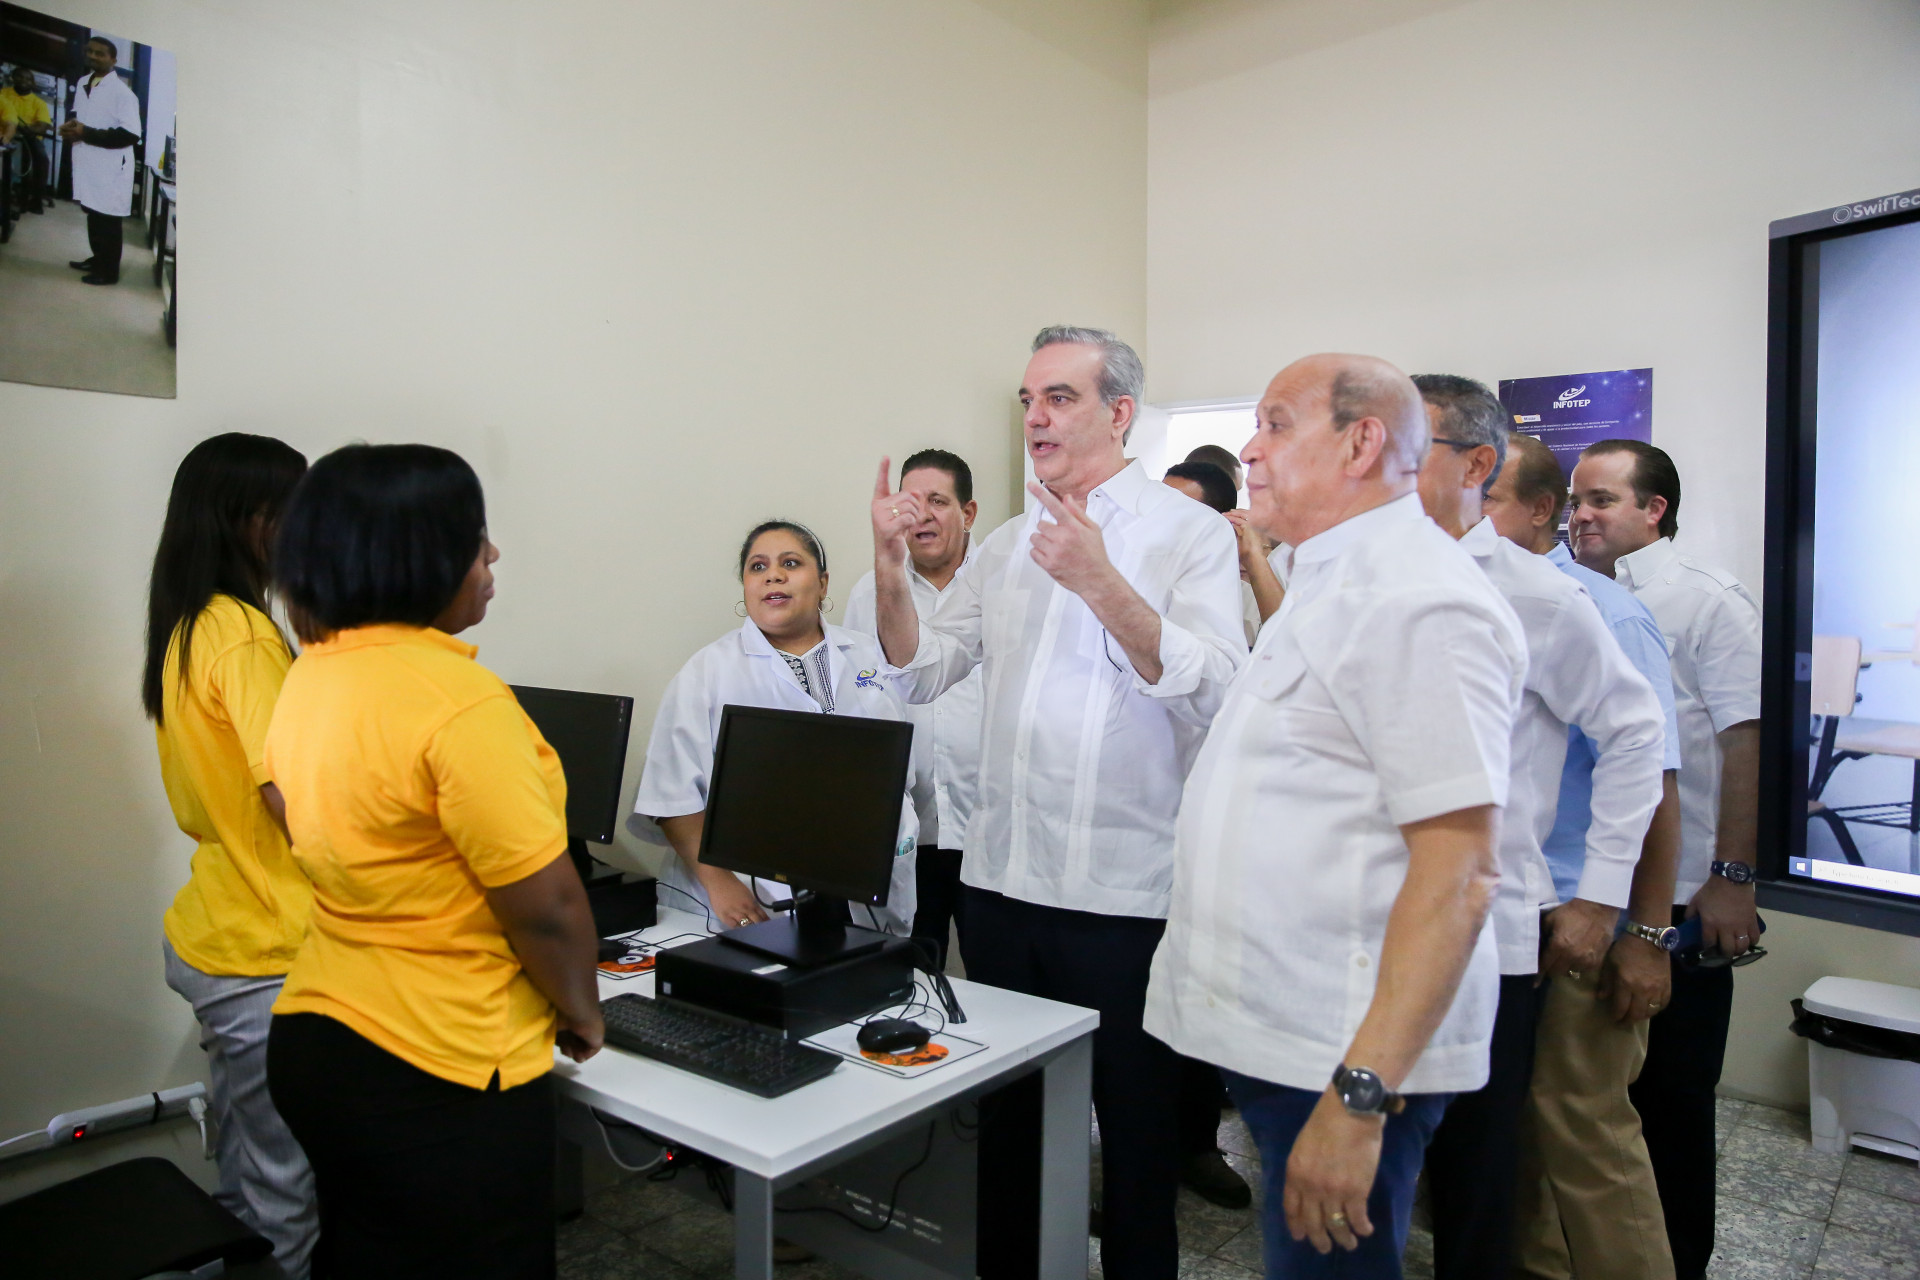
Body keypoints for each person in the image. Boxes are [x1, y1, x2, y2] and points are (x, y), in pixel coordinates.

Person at [870, 326, 1244, 1279]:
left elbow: (1216, 689)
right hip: (1002, 885)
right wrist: (888, 568)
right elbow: (922, 669)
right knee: (1010, 1126)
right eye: (1028, 400)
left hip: (1124, 898)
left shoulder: (1189, 534)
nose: (1035, 418)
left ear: (1120, 413)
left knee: (1137, 1134)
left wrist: (1101, 582)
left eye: (1060, 398)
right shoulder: (1002, 546)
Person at [1145, 353, 1525, 1280]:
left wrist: (1360, 1098)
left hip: (1344, 1058)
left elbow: (1460, 871)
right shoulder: (1330, 580)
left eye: (1276, 424)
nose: (1250, 449)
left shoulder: (1419, 600)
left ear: (1362, 444)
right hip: (1288, 1036)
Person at [264, 444, 602, 1279]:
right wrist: (582, 1009)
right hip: (442, 1061)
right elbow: (546, 908)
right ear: (417, 553)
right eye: (477, 538)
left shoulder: (313, 675)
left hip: (321, 1036)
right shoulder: (460, 704)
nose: (493, 556)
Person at [1409, 377, 1667, 1280]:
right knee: (1382, 1173)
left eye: (1409, 449)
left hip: (1488, 937)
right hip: (1367, 925)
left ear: (1475, 466)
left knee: (1480, 1178)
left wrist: (1601, 899)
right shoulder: (1349, 574)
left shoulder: (1540, 598)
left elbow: (1637, 737)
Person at [1486, 432, 1683, 1280]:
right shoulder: (1477, 597)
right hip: (1515, 917)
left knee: (1586, 1135)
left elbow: (1656, 780)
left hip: (1582, 921)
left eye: (1485, 495)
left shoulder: (1599, 610)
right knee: (1527, 1146)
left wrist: (1644, 933)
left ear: (1540, 512)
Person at [1567, 439, 1762, 1280]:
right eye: (1575, 500)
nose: (1581, 516)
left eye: (1602, 500)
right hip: (1596, 887)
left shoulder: (1706, 600)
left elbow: (1745, 743)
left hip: (1686, 894)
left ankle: (1681, 1265)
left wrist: (1733, 878)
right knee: (1598, 1103)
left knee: (1673, 1103)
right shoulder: (1568, 594)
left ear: (1655, 510)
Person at [145, 433, 317, 1279]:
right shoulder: (244, 635)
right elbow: (293, 797)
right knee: (289, 1198)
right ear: (251, 520)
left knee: (249, 1172)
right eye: (298, 511)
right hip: (262, 946)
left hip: (217, 921)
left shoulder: (191, 624)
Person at [631, 520, 920, 935]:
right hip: (748, 897)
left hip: (865, 886)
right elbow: (671, 795)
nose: (773, 576)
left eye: (791, 563)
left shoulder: (871, 655)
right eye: (758, 567)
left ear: (822, 584)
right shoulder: (708, 671)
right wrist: (721, 884)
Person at [844, 451, 983, 969]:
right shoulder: (872, 591)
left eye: (938, 501)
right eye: (911, 502)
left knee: (1000, 979)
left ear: (968, 513)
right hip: (907, 830)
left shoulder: (1001, 583)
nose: (922, 515)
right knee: (909, 976)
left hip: (988, 830)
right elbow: (860, 697)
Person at [57, 37, 141, 286]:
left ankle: (109, 272)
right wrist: (71, 127)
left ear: (113, 59)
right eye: (90, 52)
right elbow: (79, 114)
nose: (93, 56)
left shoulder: (124, 95)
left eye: (100, 53)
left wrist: (85, 132)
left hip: (111, 166)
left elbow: (130, 134)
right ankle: (97, 259)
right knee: (93, 213)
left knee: (108, 220)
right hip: (89, 160)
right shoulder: (83, 82)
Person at [1, 67, 53, 213]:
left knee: (42, 159)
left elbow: (42, 127)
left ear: (33, 83)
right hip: (4, 133)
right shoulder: (3, 94)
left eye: (28, 79)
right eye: (20, 77)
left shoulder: (39, 103)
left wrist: (25, 128)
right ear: (12, 78)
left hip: (29, 137)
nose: (24, 81)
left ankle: (36, 200)